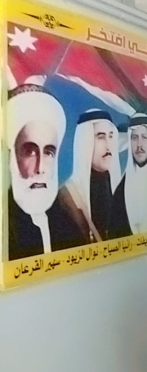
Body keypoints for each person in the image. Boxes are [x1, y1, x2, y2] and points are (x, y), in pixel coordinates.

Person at [6, 79, 91, 260]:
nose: (41, 168)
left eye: (49, 152)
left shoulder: (66, 219)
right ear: (12, 155)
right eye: (30, 152)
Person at [66, 109, 122, 242]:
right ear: (85, 142)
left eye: (110, 136)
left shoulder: (121, 187)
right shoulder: (69, 196)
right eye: (101, 137)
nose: (108, 145)